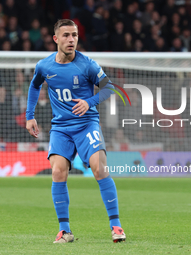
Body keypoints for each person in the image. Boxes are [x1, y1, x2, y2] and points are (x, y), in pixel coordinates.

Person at [26, 19, 126, 243]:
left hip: (87, 124)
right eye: (66, 35)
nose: (71, 40)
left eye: (74, 35)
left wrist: (89, 101)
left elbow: (109, 88)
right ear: (55, 39)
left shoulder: (87, 64)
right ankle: (65, 231)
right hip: (61, 128)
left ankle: (116, 226)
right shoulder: (44, 66)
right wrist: (29, 116)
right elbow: (34, 86)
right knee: (58, 172)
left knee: (99, 168)